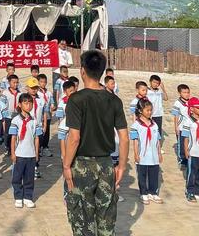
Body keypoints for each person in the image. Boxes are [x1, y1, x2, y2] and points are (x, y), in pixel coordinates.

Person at [63, 50, 129, 236]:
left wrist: (67, 165)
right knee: (106, 216)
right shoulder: (114, 100)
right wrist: (121, 166)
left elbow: (74, 138)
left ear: (82, 71)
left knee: (83, 217)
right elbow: (124, 137)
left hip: (82, 164)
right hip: (107, 164)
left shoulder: (76, 99)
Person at [9, 93, 41, 208]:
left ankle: (28, 196)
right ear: (20, 104)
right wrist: (13, 153)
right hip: (19, 154)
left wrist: (37, 153)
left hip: (31, 154)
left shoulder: (34, 121)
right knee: (17, 177)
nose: (28, 106)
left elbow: (36, 138)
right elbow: (13, 138)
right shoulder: (15, 120)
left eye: (30, 103)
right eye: (25, 103)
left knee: (29, 177)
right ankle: (18, 196)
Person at [130, 98, 162, 205]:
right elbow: (135, 142)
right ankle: (143, 193)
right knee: (142, 174)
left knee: (154, 173)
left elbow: (157, 140)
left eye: (150, 110)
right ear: (140, 110)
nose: (149, 112)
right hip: (142, 154)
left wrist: (159, 154)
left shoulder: (155, 125)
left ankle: (153, 192)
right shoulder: (136, 125)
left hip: (153, 155)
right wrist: (135, 154)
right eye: (147, 110)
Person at [183, 97, 199, 202]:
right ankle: (190, 191)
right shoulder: (188, 121)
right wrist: (186, 150)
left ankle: (197, 191)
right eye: (198, 107)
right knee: (192, 173)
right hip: (193, 152)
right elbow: (185, 138)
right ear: (192, 109)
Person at [171, 84, 191, 168]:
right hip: (181, 127)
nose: (187, 94)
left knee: (188, 144)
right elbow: (176, 116)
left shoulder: (190, 101)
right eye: (184, 92)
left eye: (188, 92)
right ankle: (182, 160)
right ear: (179, 93)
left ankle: (188, 159)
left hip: (190, 127)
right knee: (181, 144)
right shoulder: (177, 103)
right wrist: (176, 127)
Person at [2, 74, 20, 156]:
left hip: (17, 116)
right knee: (7, 133)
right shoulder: (5, 93)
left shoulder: (20, 93)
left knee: (16, 132)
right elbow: (3, 104)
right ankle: (7, 147)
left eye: (17, 82)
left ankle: (15, 147)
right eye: (14, 82)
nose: (15, 84)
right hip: (8, 116)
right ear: (9, 83)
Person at [147, 75, 168, 143]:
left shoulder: (159, 91)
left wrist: (163, 88)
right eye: (154, 82)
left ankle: (157, 147)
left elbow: (166, 98)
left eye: (157, 83)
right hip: (149, 115)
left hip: (158, 114)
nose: (155, 84)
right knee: (149, 131)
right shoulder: (147, 91)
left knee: (158, 131)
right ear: (150, 81)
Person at [37, 74, 54, 157]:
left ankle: (45, 147)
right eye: (41, 82)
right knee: (39, 132)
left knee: (46, 131)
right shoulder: (36, 93)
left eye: (44, 82)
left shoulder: (49, 93)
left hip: (47, 115)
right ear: (38, 82)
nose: (43, 84)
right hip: (39, 115)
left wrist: (52, 106)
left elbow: (52, 102)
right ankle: (38, 148)